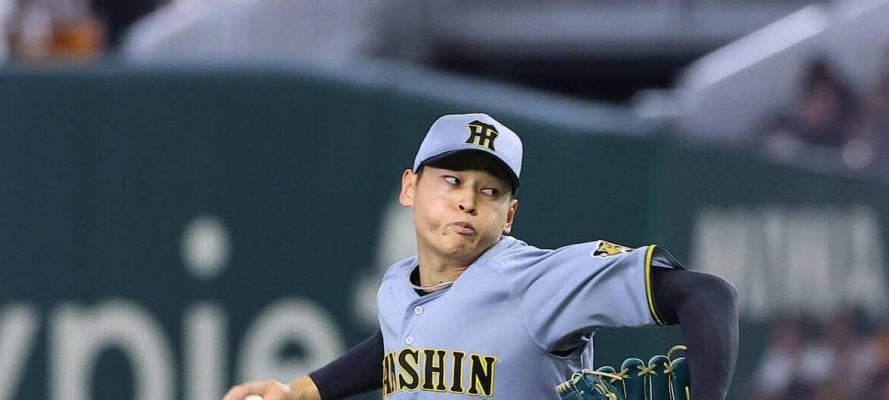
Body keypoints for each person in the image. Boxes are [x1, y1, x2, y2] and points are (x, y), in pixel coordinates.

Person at [223, 113, 739, 400]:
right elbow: (402, 343)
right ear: (410, 188)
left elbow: (707, 294)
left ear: (509, 215)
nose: (468, 201)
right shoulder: (399, 285)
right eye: (452, 181)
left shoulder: (535, 281)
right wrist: (304, 390)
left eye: (489, 191)